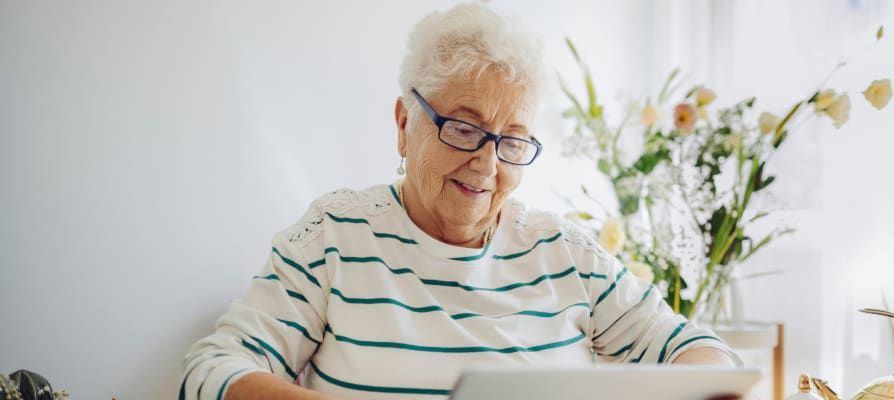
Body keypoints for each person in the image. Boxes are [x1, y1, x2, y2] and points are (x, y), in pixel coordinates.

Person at [180, 3, 738, 400]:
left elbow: (704, 356)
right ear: (405, 124)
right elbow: (211, 370)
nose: (488, 166)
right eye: (464, 130)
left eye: (512, 141)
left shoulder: (567, 253)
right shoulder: (336, 235)